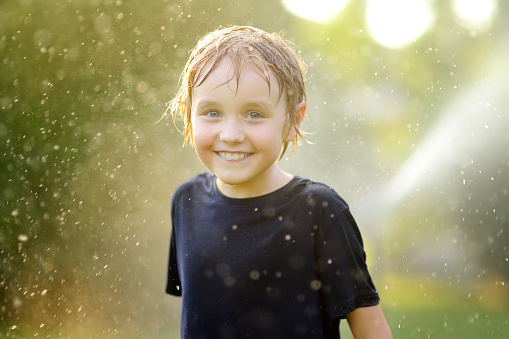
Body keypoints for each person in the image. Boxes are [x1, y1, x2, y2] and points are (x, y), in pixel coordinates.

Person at [166, 25, 392, 339]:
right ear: (187, 114)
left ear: (293, 121)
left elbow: (372, 330)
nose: (231, 135)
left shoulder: (318, 210)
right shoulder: (186, 202)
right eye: (212, 112)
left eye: (254, 114)